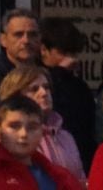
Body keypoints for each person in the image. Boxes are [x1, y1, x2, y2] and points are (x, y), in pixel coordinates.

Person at [0, 64, 86, 190]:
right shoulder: (6, 137)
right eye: (34, 89)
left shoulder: (66, 137)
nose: (44, 93)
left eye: (46, 87)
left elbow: (80, 180)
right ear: (15, 97)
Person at [40, 18, 99, 170]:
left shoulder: (79, 86)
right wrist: (59, 72)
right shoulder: (37, 82)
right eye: (63, 52)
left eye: (73, 53)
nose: (70, 59)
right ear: (44, 50)